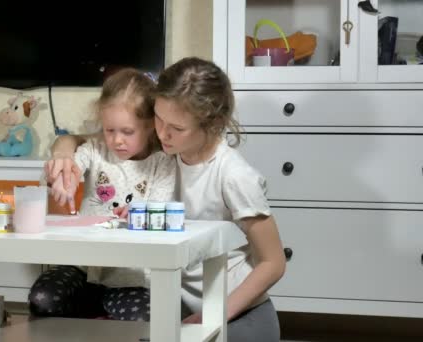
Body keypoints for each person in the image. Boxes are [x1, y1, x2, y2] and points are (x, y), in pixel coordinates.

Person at [45, 57, 286, 341]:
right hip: (174, 301)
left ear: (212, 124)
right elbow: (86, 140)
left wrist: (214, 314)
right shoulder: (166, 146)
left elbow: (273, 262)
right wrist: (63, 153)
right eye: (158, 119)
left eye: (176, 127)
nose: (162, 133)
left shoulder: (233, 176)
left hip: (235, 310)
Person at [29, 68, 176, 322]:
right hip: (83, 268)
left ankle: (100, 318)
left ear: (151, 127)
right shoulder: (94, 150)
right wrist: (64, 180)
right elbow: (70, 169)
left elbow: (159, 208)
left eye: (127, 132)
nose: (117, 140)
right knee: (42, 299)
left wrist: (141, 212)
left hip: (129, 277)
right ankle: (96, 316)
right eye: (110, 130)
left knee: (145, 316)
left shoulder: (162, 163)